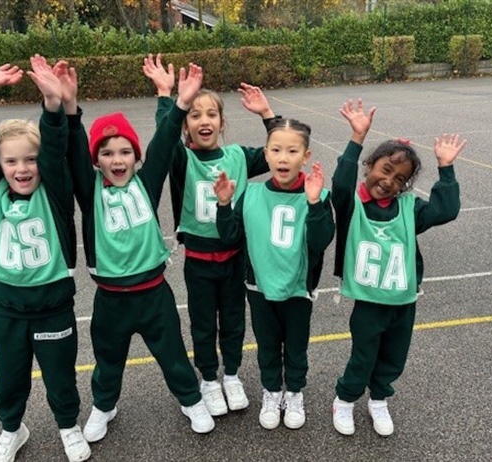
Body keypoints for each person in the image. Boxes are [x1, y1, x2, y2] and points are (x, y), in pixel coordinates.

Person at [64, 59, 215, 442]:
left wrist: (179, 104)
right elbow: (73, 145)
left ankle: (191, 398)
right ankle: (104, 405)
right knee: (108, 360)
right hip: (111, 299)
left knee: (173, 355)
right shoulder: (91, 191)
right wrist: (69, 107)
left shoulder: (146, 185)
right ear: (96, 161)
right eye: (108, 153)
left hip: (153, 294)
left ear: (136, 156)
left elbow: (164, 142)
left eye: (125, 152)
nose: (117, 160)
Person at [0, 55, 91, 462]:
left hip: (53, 307)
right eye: (12, 161)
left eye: (30, 159)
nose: (22, 168)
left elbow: (55, 150)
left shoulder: (53, 195)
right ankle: (12, 430)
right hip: (8, 309)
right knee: (11, 378)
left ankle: (68, 425)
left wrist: (53, 107)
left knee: (60, 377)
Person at [144, 53, 279, 417]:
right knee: (203, 325)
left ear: (222, 121)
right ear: (185, 125)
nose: (203, 120)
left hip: (235, 259)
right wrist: (166, 97)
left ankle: (231, 375)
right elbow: (163, 137)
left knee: (234, 322)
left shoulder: (237, 155)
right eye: (194, 114)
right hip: (199, 262)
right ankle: (207, 378)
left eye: (211, 114)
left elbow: (279, 153)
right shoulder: (181, 159)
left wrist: (268, 115)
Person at [330, 98, 466, 437]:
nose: (389, 181)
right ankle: (345, 399)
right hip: (369, 301)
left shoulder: (409, 209)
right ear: (370, 166)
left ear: (406, 185)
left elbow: (445, 210)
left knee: (393, 357)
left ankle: (379, 398)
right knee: (363, 355)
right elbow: (341, 184)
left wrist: (446, 168)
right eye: (385, 170)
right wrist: (357, 137)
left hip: (402, 301)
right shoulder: (353, 204)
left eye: (400, 178)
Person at [213, 119, 335, 430]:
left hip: (297, 289)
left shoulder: (317, 194)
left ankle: (293, 392)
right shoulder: (251, 195)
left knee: (296, 345)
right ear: (266, 154)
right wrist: (224, 205)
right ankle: (271, 391)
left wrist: (314, 202)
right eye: (276, 150)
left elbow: (320, 241)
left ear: (305, 156)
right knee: (267, 345)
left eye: (292, 151)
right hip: (259, 288)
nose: (283, 158)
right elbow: (230, 237)